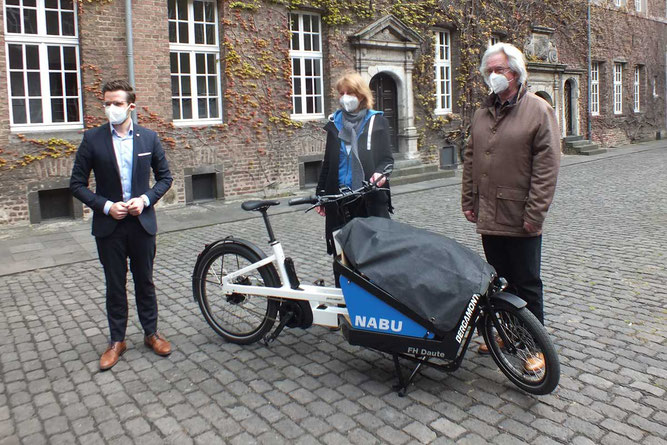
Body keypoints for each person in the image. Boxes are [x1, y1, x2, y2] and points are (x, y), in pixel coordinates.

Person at [461, 43, 560, 372]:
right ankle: (507, 333)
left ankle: (535, 348)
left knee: (527, 283)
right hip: (490, 214)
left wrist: (535, 215)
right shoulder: (482, 113)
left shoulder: (538, 111)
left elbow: (546, 170)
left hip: (521, 216)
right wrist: (469, 201)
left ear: (515, 72)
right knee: (498, 280)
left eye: (499, 70)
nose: (493, 76)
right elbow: (470, 159)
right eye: (488, 70)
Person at [70, 80, 173, 371]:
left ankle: (151, 334)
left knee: (145, 281)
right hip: (109, 226)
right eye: (107, 103)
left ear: (131, 106)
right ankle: (117, 340)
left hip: (141, 224)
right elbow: (76, 184)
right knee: (115, 285)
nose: (110, 108)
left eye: (116, 103)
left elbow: (165, 178)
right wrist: (105, 205)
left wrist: (145, 199)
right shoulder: (93, 139)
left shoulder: (148, 138)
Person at [316, 72, 394, 258]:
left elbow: (386, 159)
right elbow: (328, 163)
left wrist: (380, 174)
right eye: (341, 93)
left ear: (361, 95)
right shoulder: (335, 124)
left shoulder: (377, 122)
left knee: (372, 255)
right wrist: (320, 195)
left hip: (368, 198)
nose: (344, 98)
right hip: (338, 200)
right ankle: (342, 286)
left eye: (349, 93)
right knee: (341, 255)